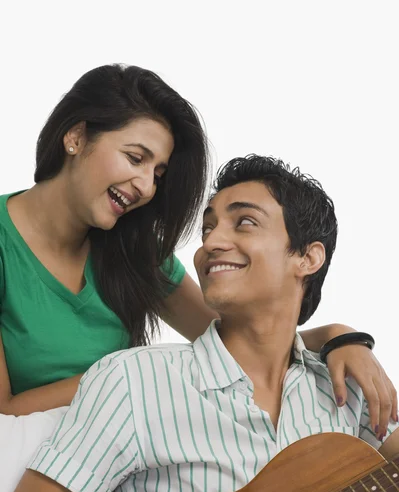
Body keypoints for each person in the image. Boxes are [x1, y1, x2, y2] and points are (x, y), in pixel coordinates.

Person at [1, 154, 398, 492]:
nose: (211, 243)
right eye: (208, 228)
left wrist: (346, 338)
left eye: (244, 222)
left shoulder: (348, 389)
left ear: (307, 257)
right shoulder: (135, 380)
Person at [0, 63, 397, 431]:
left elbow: (236, 342)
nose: (146, 186)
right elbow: (4, 412)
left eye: (158, 173)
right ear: (76, 137)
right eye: (135, 158)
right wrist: (127, 376)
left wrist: (337, 337)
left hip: (114, 461)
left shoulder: (136, 254)